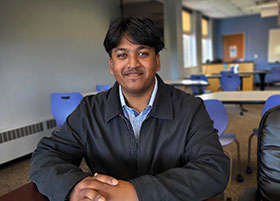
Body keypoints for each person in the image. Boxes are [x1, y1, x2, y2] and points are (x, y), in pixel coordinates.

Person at [30, 16, 230, 201]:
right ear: (111, 64)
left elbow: (213, 168)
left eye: (143, 53)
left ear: (157, 61)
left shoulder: (190, 108)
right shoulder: (89, 110)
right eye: (122, 55)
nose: (132, 63)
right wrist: (72, 187)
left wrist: (137, 192)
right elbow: (46, 156)